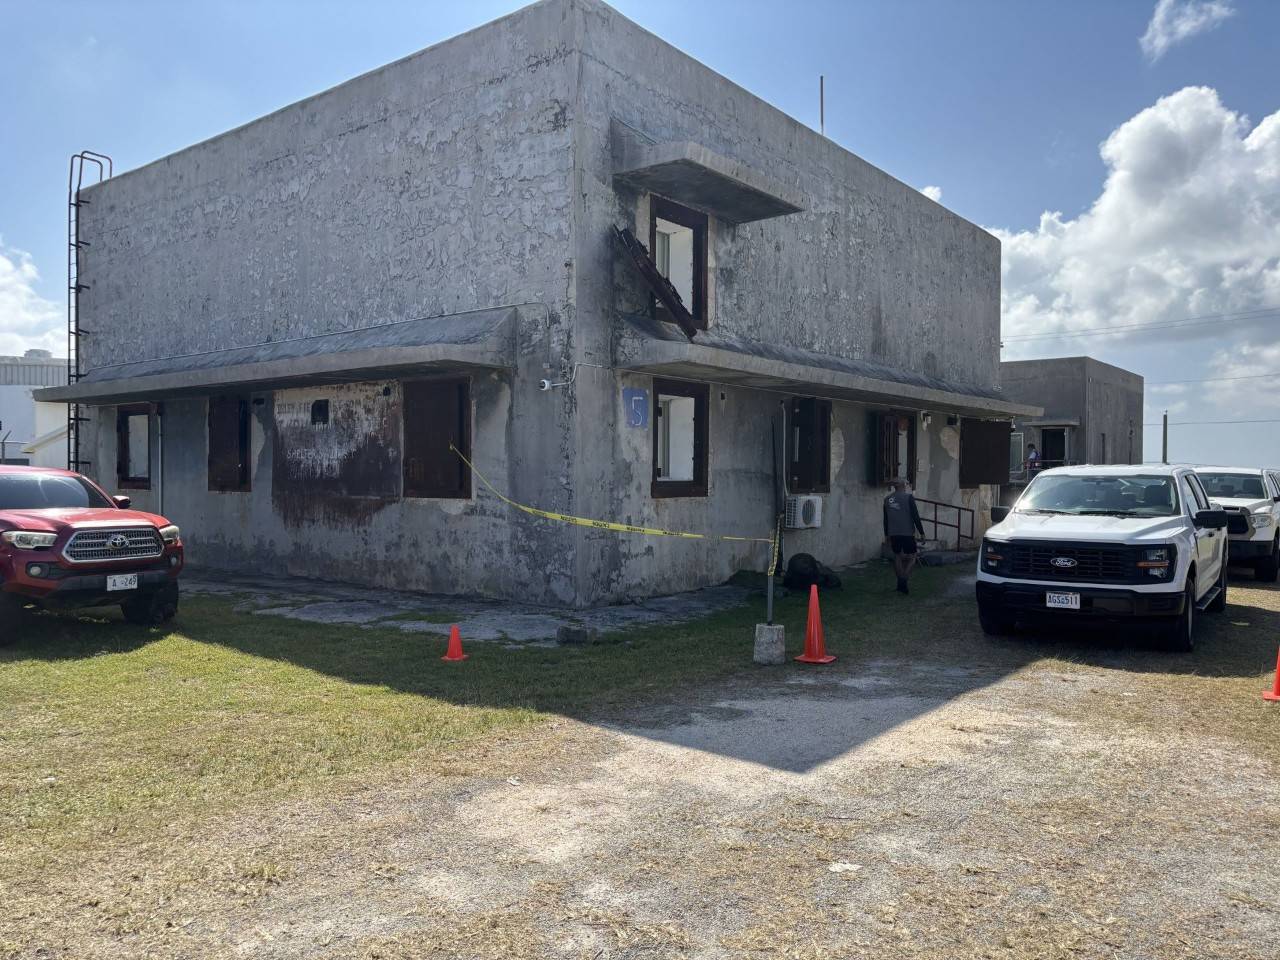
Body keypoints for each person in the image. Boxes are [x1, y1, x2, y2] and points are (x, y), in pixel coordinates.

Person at [883, 479, 926, 594]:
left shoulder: (887, 499)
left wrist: (886, 535)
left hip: (893, 533)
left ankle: (900, 584)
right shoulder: (908, 497)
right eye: (906, 484)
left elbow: (885, 520)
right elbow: (915, 516)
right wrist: (922, 533)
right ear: (902, 485)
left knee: (897, 556)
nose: (907, 486)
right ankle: (904, 580)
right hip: (907, 532)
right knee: (912, 556)